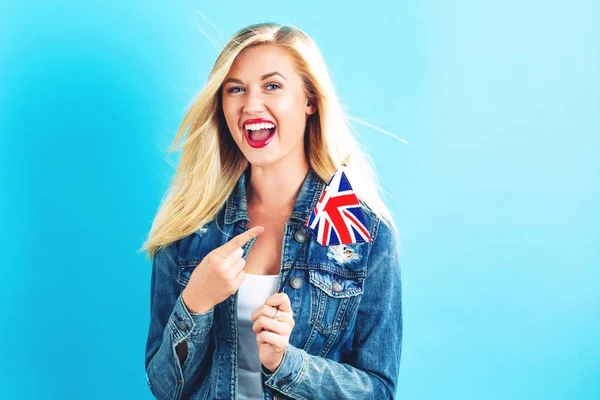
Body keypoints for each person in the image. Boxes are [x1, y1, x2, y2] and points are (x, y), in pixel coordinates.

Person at [142, 22, 403, 400]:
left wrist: (286, 363)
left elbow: (379, 391)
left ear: (310, 101)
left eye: (272, 86)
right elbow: (164, 387)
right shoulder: (191, 225)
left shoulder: (364, 232)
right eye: (236, 89)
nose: (251, 104)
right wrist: (194, 304)